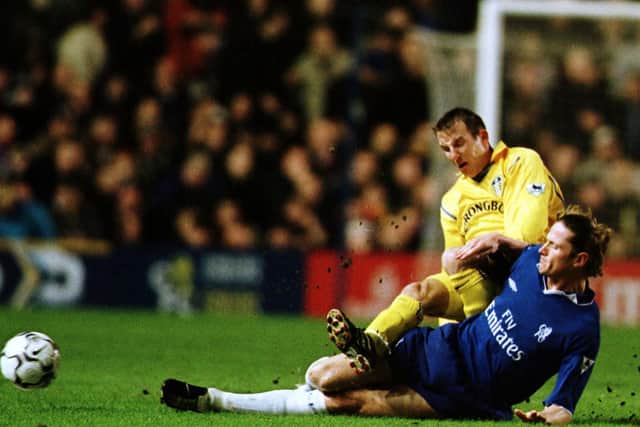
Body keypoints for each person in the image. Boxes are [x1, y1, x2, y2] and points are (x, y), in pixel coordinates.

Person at [160, 205, 611, 424]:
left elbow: (563, 406)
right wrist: (489, 244)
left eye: (556, 246)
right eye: (546, 240)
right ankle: (367, 345)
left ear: (580, 261)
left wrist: (542, 419)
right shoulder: (532, 260)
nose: (544, 248)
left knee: (344, 402)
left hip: (464, 395)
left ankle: (216, 400)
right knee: (322, 375)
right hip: (439, 346)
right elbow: (508, 250)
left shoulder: (581, 330)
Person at [327, 106, 566, 373]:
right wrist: (447, 341)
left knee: (459, 259)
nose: (454, 155)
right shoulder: (452, 200)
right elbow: (453, 275)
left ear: (482, 138)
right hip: (478, 279)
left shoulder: (519, 162)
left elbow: (528, 235)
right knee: (420, 291)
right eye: (446, 148)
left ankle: (482, 342)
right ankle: (372, 342)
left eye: (459, 143)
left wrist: (491, 246)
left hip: (528, 276)